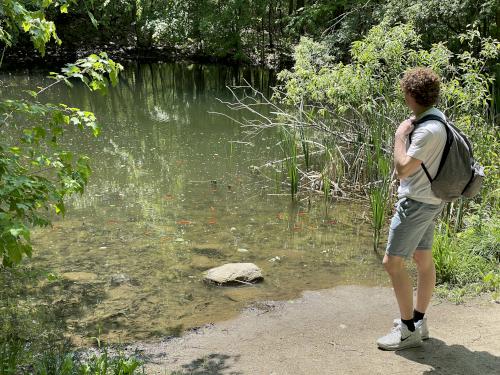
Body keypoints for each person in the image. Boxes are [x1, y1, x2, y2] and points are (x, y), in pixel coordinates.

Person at [377, 67, 447, 351]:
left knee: (392, 264)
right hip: (431, 199)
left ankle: (407, 331)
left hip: (417, 202)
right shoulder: (437, 118)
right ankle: (418, 321)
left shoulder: (427, 130)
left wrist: (399, 136)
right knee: (422, 256)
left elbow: (403, 169)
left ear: (409, 95)